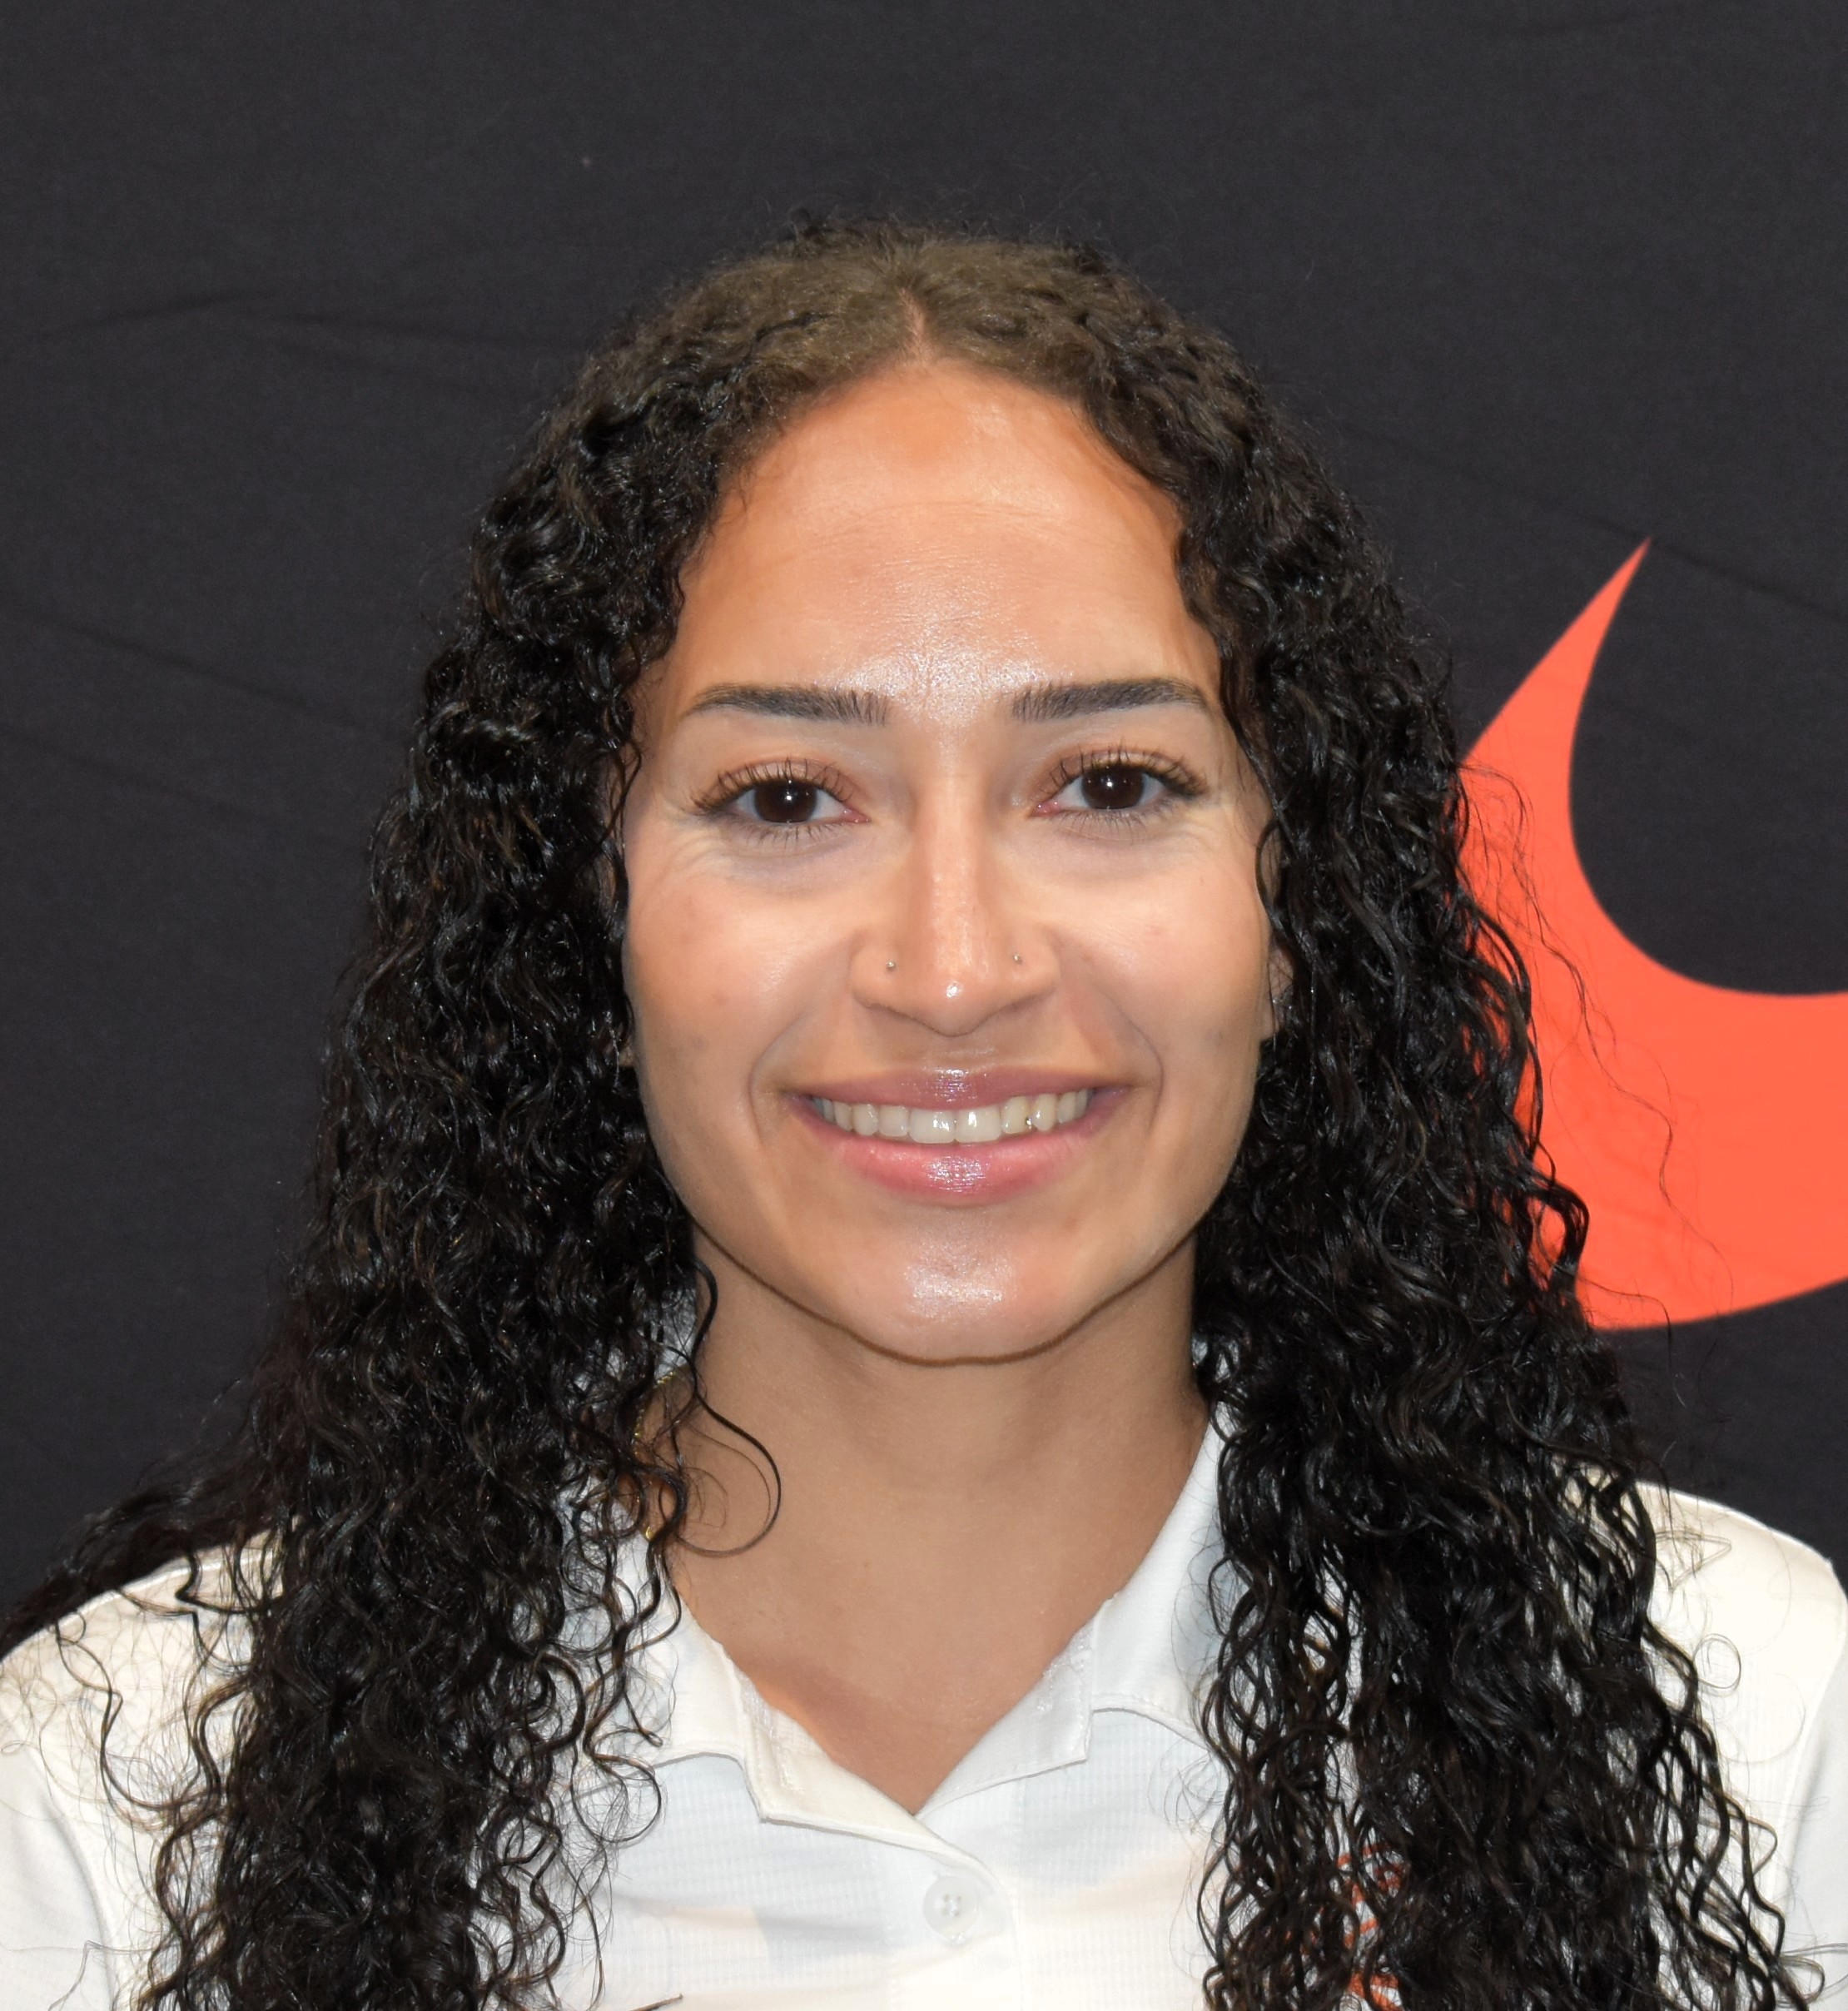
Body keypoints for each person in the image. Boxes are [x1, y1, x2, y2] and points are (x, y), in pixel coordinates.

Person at [1, 220, 1841, 2011]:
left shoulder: (1761, 1725)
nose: (954, 970)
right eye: (787, 798)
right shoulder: (116, 1816)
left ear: (1300, 913)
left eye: (1109, 784)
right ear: (589, 913)